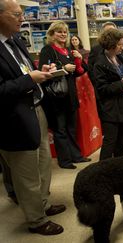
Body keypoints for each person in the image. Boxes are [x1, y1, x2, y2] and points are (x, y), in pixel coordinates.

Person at [0, 0, 65, 235]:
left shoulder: (15, 41)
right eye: (16, 14)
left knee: (43, 164)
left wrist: (41, 73)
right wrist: (30, 80)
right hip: (14, 119)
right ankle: (36, 220)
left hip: (36, 109)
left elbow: (24, 69)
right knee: (26, 172)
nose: (21, 18)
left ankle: (43, 204)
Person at [38, 21, 90, 169]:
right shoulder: (47, 50)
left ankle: (76, 156)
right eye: (59, 31)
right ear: (52, 34)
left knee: (71, 129)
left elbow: (81, 71)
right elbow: (45, 72)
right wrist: (63, 68)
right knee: (60, 130)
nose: (63, 34)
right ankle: (65, 160)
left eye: (65, 32)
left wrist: (79, 59)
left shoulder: (68, 50)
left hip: (70, 96)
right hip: (57, 97)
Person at [88, 21, 123, 152]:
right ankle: (104, 170)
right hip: (110, 109)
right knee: (110, 142)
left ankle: (120, 169)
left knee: (122, 142)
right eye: (120, 44)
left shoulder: (119, 58)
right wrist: (122, 83)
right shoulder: (100, 63)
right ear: (111, 44)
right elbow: (102, 89)